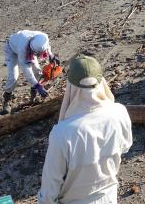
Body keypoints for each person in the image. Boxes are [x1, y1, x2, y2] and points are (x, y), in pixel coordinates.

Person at [37, 56, 132, 204]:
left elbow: (51, 185)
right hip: (109, 198)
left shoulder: (61, 133)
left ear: (71, 87)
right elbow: (125, 146)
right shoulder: (120, 112)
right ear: (101, 83)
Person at [2, 30, 57, 114]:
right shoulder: (23, 48)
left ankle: (33, 98)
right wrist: (37, 85)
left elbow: (47, 45)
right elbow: (27, 70)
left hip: (28, 49)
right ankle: (7, 99)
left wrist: (51, 55)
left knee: (38, 72)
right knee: (13, 77)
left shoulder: (42, 37)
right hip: (11, 50)